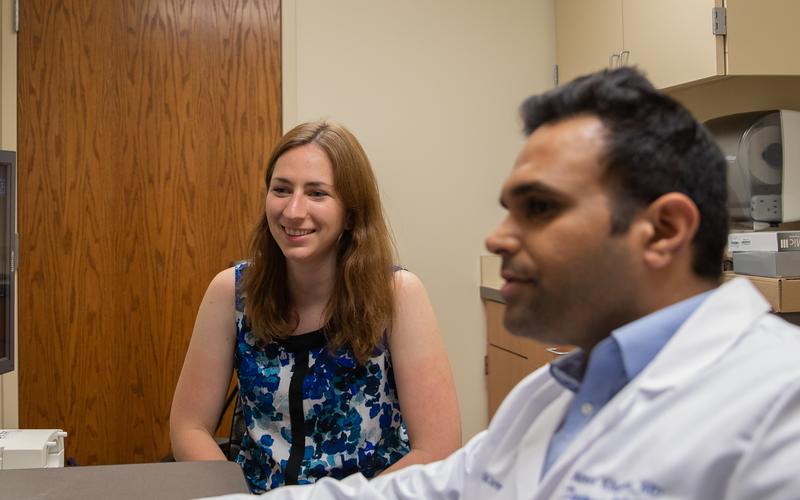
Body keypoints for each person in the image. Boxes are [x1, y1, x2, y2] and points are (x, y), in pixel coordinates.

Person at [201, 67, 800, 500]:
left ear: (663, 230)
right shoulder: (548, 395)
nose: (498, 238)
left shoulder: (780, 405)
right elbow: (434, 486)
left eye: (539, 207)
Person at [170, 121, 462, 493]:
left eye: (317, 193)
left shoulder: (398, 296)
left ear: (351, 212)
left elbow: (437, 449)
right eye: (281, 190)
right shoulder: (232, 292)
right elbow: (188, 427)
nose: (293, 211)